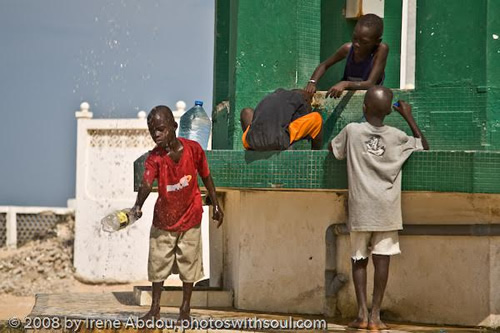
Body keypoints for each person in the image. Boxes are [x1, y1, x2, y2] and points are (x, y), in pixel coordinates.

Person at [329, 86, 429, 330]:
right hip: (387, 208)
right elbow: (423, 146)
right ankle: (376, 317)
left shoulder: (352, 131)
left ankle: (361, 315)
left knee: (358, 259)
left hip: (361, 206)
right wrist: (409, 116)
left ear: (364, 109)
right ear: (389, 111)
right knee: (382, 261)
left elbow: (336, 151)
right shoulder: (396, 136)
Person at [129, 105, 224, 322]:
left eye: (161, 129)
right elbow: (146, 183)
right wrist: (138, 206)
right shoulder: (155, 158)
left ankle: (185, 309)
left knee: (189, 265)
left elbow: (206, 176)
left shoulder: (193, 150)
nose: (156, 134)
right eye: (152, 130)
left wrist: (216, 204)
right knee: (158, 265)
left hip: (190, 217)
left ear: (174, 126)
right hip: (164, 221)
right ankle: (155, 309)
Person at [305, 14, 388, 99]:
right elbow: (324, 65)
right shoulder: (348, 49)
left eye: (364, 42)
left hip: (370, 100)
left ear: (377, 41)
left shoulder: (381, 50)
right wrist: (312, 82)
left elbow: (370, 84)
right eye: (355, 38)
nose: (356, 44)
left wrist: (346, 84)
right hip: (345, 95)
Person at [240, 88, 323, 150]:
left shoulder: (272, 97)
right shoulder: (300, 98)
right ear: (306, 100)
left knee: (247, 112)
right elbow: (303, 122)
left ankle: (253, 151)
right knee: (316, 118)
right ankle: (316, 154)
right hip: (276, 141)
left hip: (250, 141)